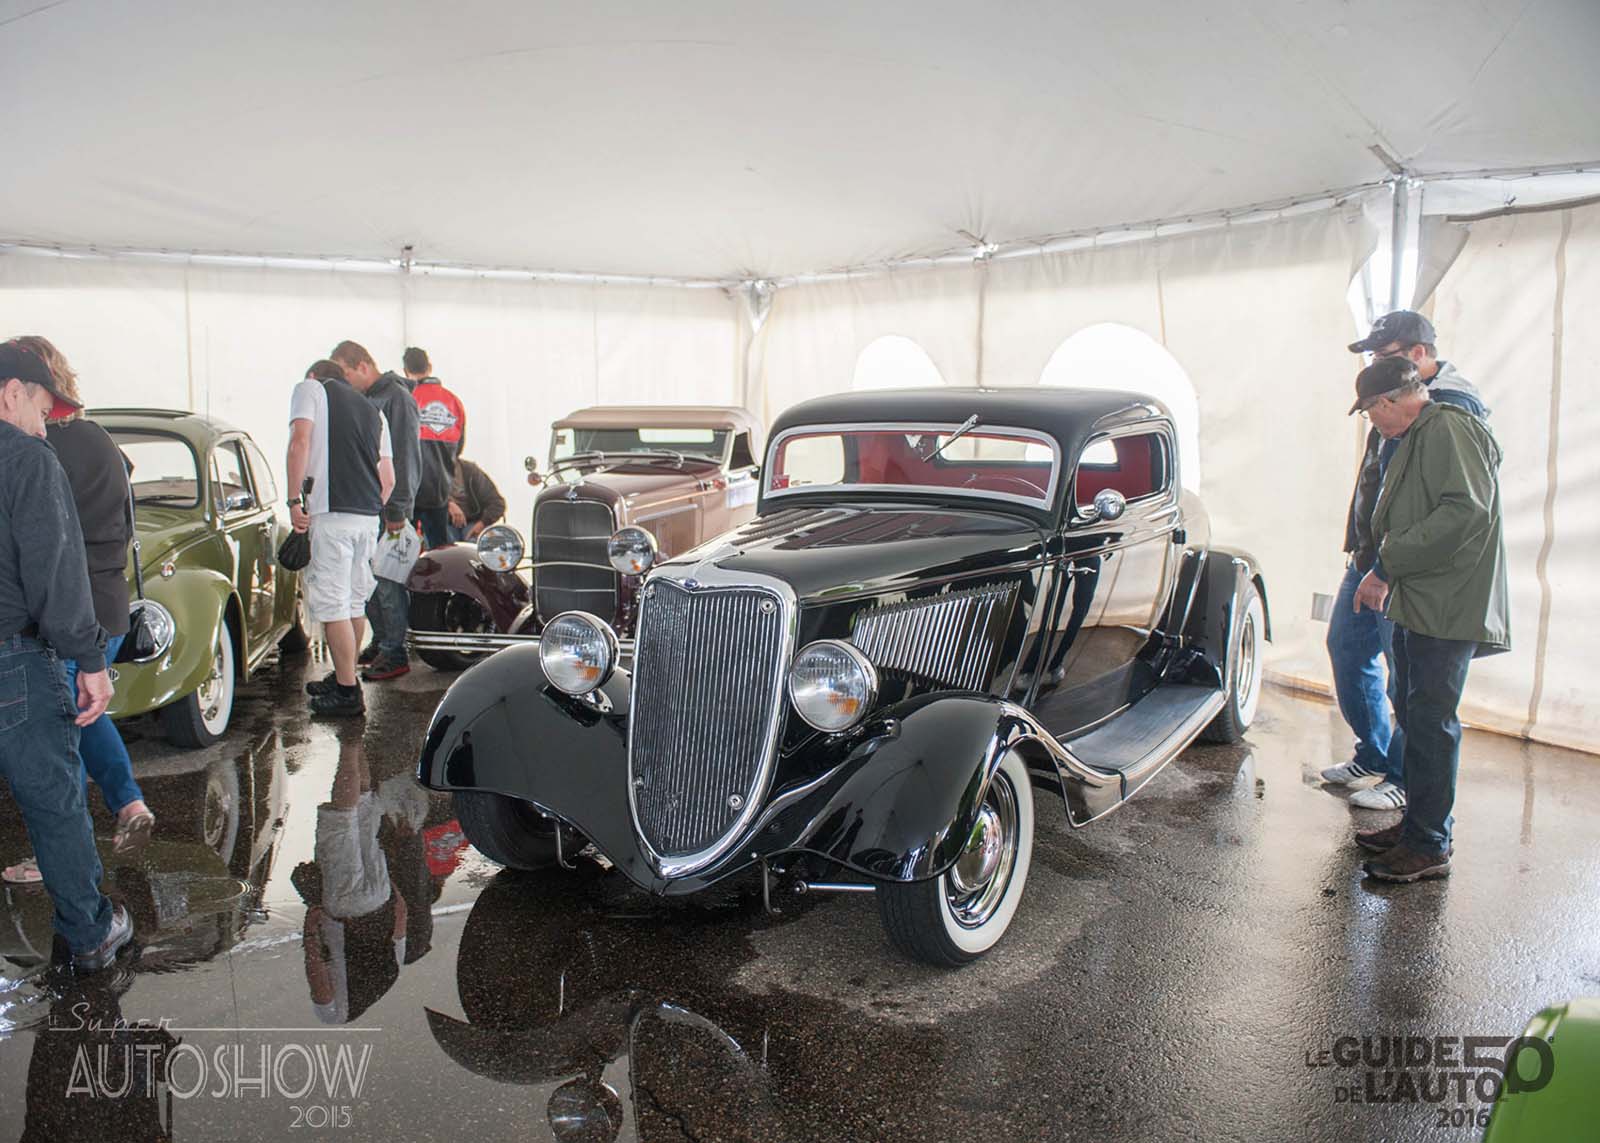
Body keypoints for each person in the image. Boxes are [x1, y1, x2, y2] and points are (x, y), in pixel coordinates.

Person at [1346, 356, 1509, 882]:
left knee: (1432, 722)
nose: (1372, 422)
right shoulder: (1419, 433)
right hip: (1422, 598)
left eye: (1370, 411)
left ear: (1389, 401)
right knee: (1415, 716)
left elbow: (1466, 511)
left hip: (1446, 602)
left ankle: (1429, 845)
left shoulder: (1448, 428)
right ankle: (1418, 827)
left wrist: (1387, 564)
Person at [1320, 311, 1488, 812]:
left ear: (1417, 354)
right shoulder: (1391, 397)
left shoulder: (1451, 411)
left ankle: (1402, 777)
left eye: (1383, 354)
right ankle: (1373, 753)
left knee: (1410, 681)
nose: (1375, 364)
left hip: (1406, 567)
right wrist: (1363, 548)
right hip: (1371, 555)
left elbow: (1458, 508)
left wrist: (1390, 565)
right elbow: (1381, 480)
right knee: (1348, 649)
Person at [2, 338, 154, 889]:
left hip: (64, 611)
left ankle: (63, 864)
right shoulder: (101, 440)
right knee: (81, 716)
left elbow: (44, 549)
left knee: (57, 745)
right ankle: (128, 803)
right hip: (108, 600)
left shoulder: (34, 450)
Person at [288, 358, 396, 717]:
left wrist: (293, 501)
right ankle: (343, 675)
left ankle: (348, 692)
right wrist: (368, 508)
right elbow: (388, 479)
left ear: (314, 375)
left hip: (330, 514)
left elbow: (299, 442)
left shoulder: (310, 389)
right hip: (367, 518)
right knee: (353, 602)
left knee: (333, 604)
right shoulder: (374, 411)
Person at [329, 341, 419, 683]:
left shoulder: (397, 398)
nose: (343, 383)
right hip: (370, 505)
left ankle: (395, 650)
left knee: (387, 581)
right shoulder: (368, 400)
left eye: (345, 373)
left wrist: (397, 509)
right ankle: (382, 641)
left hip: (389, 508)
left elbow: (405, 457)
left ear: (363, 366)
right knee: (369, 581)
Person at [402, 347, 466, 551]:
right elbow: (459, 448)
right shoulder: (453, 401)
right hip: (440, 491)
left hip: (409, 490)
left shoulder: (407, 398)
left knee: (402, 552)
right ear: (429, 367)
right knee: (441, 552)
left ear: (405, 371)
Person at [447, 456, 506, 542]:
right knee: (443, 543)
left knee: (478, 542)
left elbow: (497, 503)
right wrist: (448, 504)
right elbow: (426, 497)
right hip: (441, 524)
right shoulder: (429, 471)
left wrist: (482, 523)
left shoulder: (471, 471)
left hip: (472, 523)